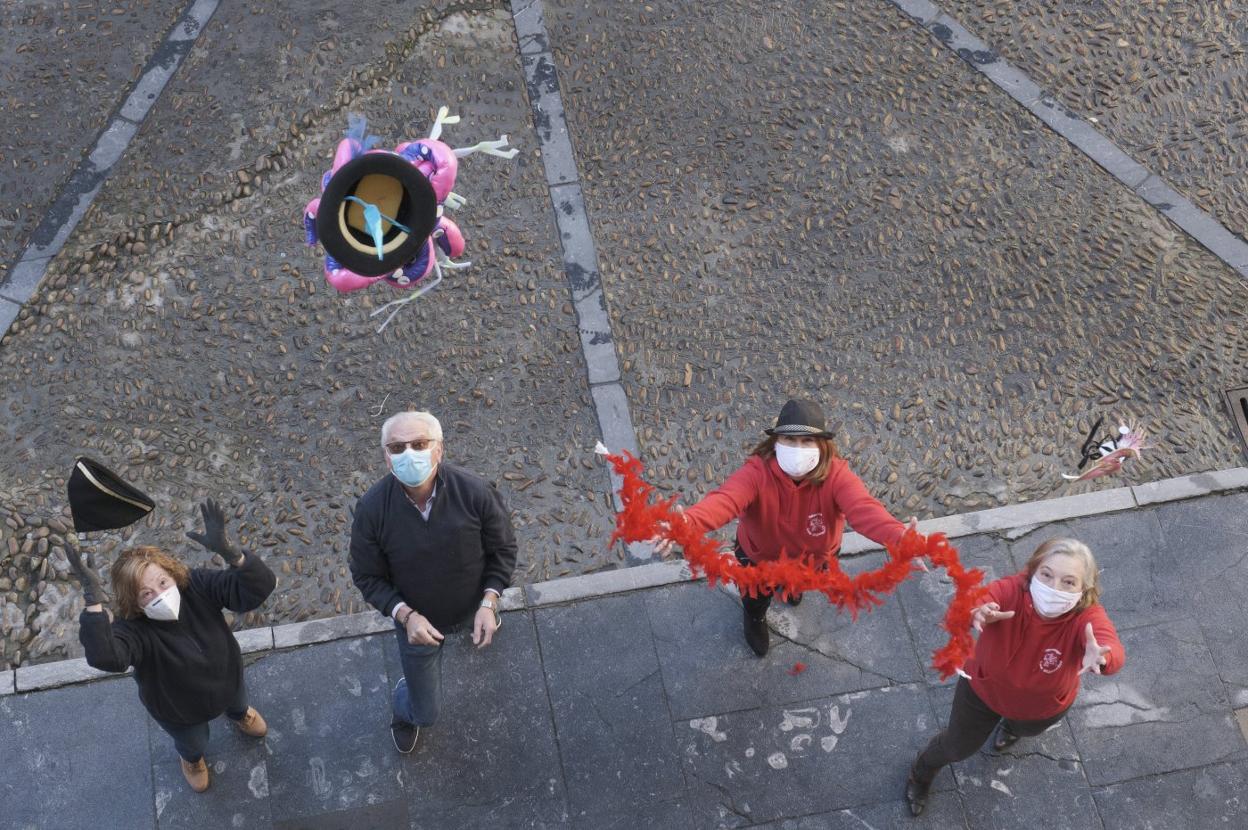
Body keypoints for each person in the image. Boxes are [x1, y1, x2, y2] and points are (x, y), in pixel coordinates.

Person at [657, 398, 916, 656]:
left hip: (814, 560)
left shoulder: (836, 475)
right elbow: (725, 500)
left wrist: (898, 536)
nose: (797, 448)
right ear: (776, 442)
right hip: (759, 561)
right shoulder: (757, 473)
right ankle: (755, 618)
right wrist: (688, 522)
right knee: (755, 598)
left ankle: (792, 588)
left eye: (806, 441)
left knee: (800, 584)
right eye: (790, 440)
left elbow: (863, 508)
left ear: (822, 446)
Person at [905, 537, 1124, 816]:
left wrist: (1104, 657)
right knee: (957, 747)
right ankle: (921, 773)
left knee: (1024, 730)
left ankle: (1010, 729)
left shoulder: (1087, 618)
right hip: (982, 694)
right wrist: (977, 611)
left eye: (1069, 582)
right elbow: (981, 599)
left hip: (1040, 709)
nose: (1054, 588)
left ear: (1084, 590)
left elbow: (1110, 646)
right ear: (1032, 571)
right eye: (1046, 575)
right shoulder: (1010, 591)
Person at [69, 500, 277, 793]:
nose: (161, 594)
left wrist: (233, 554)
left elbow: (256, 590)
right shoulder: (132, 630)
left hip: (228, 678)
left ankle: (240, 714)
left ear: (173, 575)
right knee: (192, 742)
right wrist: (93, 602)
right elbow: (107, 658)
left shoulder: (197, 586)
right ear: (134, 601)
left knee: (238, 703)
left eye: (163, 582)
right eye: (146, 593)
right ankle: (191, 759)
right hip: (178, 709)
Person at [349, 410, 518, 754]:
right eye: (397, 447)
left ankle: (484, 618)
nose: (408, 453)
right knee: (426, 713)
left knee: (482, 618)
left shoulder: (475, 492)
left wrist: (489, 601)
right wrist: (406, 616)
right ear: (386, 457)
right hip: (418, 625)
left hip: (473, 605)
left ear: (439, 450)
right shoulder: (371, 510)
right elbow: (366, 575)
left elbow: (503, 549)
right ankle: (404, 705)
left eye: (420, 444)